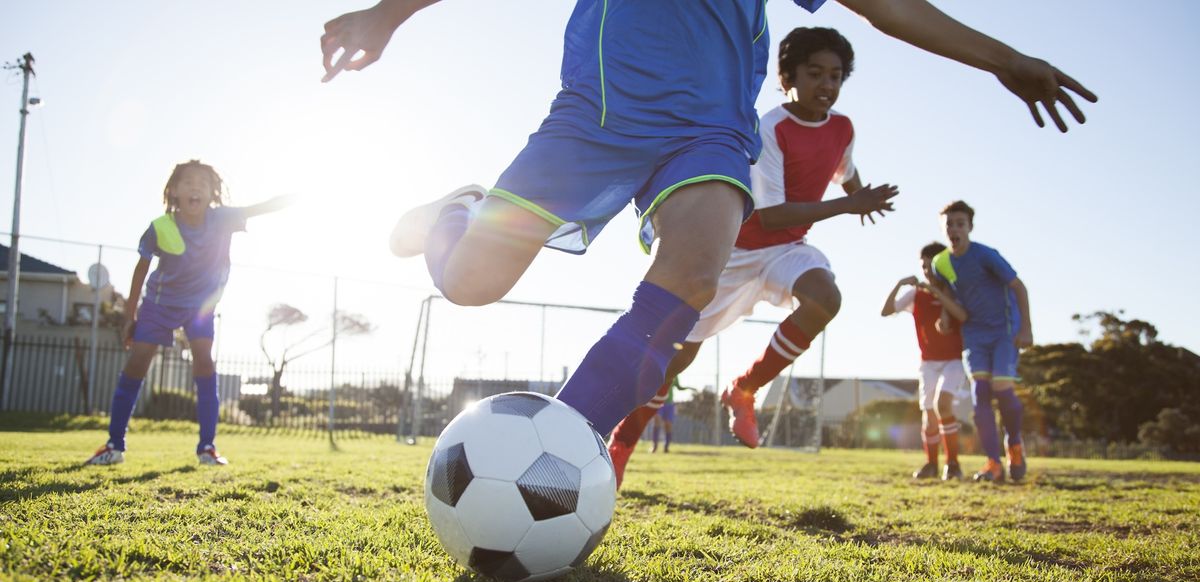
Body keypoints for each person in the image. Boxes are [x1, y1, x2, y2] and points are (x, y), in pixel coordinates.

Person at [319, 0, 1094, 484]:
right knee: (471, 284)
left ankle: (563, 448)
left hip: (710, 131)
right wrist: (388, 14)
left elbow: (887, 6)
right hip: (593, 117)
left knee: (690, 278)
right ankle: (461, 211)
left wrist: (1006, 59)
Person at [607, 25, 897, 485]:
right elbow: (776, 213)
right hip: (736, 250)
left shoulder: (843, 128)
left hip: (785, 250)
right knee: (676, 360)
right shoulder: (771, 128)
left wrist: (863, 196)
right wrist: (849, 205)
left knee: (826, 297)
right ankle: (622, 444)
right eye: (815, 73)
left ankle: (744, 390)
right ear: (789, 78)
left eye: (836, 76)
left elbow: (846, 170)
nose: (826, 85)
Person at [85, 161, 293, 466]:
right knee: (139, 360)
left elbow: (260, 207)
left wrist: (296, 197)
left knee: (204, 362)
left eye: (202, 183)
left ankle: (207, 447)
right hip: (160, 303)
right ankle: (114, 445)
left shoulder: (223, 219)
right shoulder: (160, 227)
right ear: (174, 191)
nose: (195, 187)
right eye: (187, 182)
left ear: (212, 193)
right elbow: (141, 270)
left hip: (200, 305)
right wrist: (130, 315)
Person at [932, 201, 1031, 482]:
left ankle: (1014, 443)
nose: (954, 229)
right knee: (981, 393)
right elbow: (947, 291)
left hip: (1004, 330)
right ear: (943, 228)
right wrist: (945, 317)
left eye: (960, 224)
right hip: (974, 334)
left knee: (1002, 386)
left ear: (970, 227)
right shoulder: (941, 262)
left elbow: (1018, 286)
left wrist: (1027, 329)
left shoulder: (986, 256)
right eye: (949, 224)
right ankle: (993, 462)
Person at [882, 242, 970, 480]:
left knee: (944, 405)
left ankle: (952, 464)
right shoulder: (916, 294)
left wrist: (942, 300)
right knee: (929, 413)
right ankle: (931, 463)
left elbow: (962, 317)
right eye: (924, 267)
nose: (928, 271)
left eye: (932, 266)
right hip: (928, 362)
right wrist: (900, 284)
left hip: (952, 360)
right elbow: (886, 311)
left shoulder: (955, 291)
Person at [649, 378, 692, 454]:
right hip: (659, 402)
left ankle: (666, 447)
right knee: (657, 421)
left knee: (668, 425)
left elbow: (679, 387)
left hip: (669, 404)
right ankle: (654, 446)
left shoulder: (675, 375)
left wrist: (689, 388)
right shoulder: (660, 369)